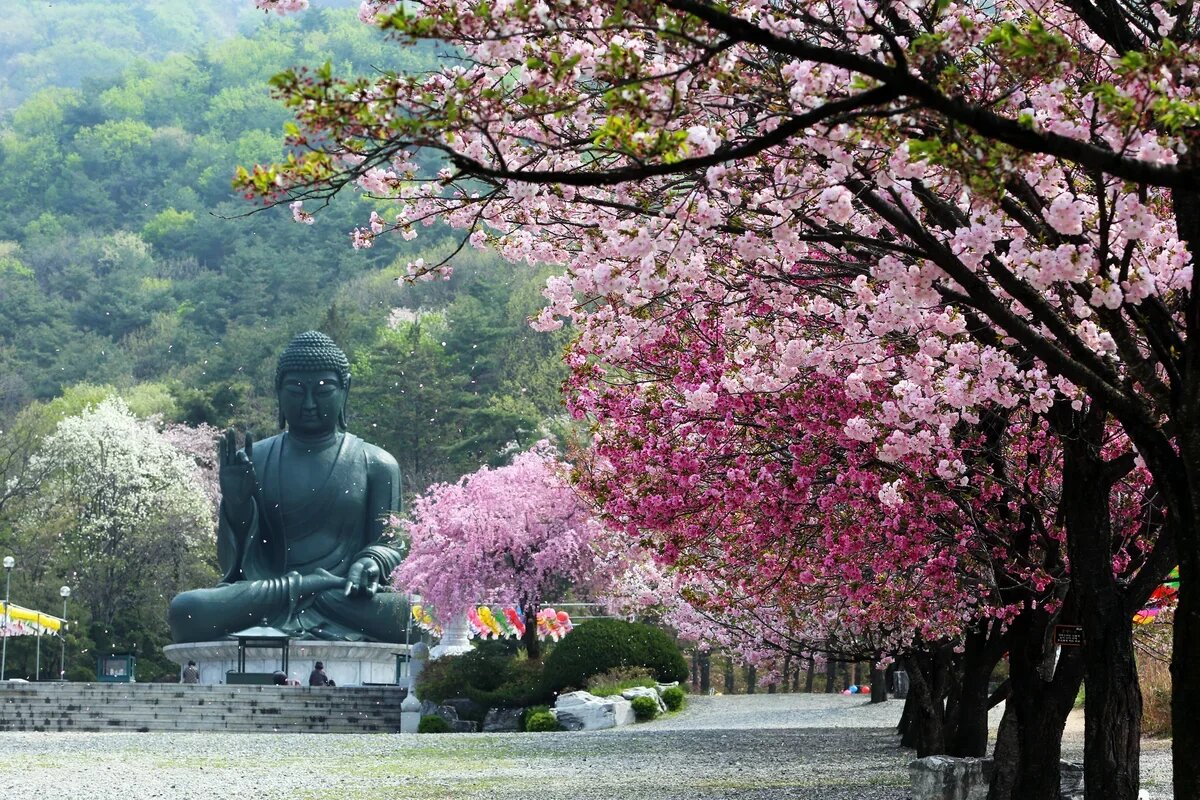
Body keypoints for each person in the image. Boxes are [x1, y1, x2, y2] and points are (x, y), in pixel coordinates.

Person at [167, 332, 409, 643]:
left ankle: (316, 590)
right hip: (274, 592)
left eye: (324, 390)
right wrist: (236, 503)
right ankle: (312, 588)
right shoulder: (258, 458)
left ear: (345, 389)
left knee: (420, 616)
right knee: (187, 610)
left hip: (345, 596)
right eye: (296, 391)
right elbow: (237, 564)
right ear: (279, 392)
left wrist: (371, 561)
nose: (309, 403)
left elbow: (393, 543)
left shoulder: (376, 463)